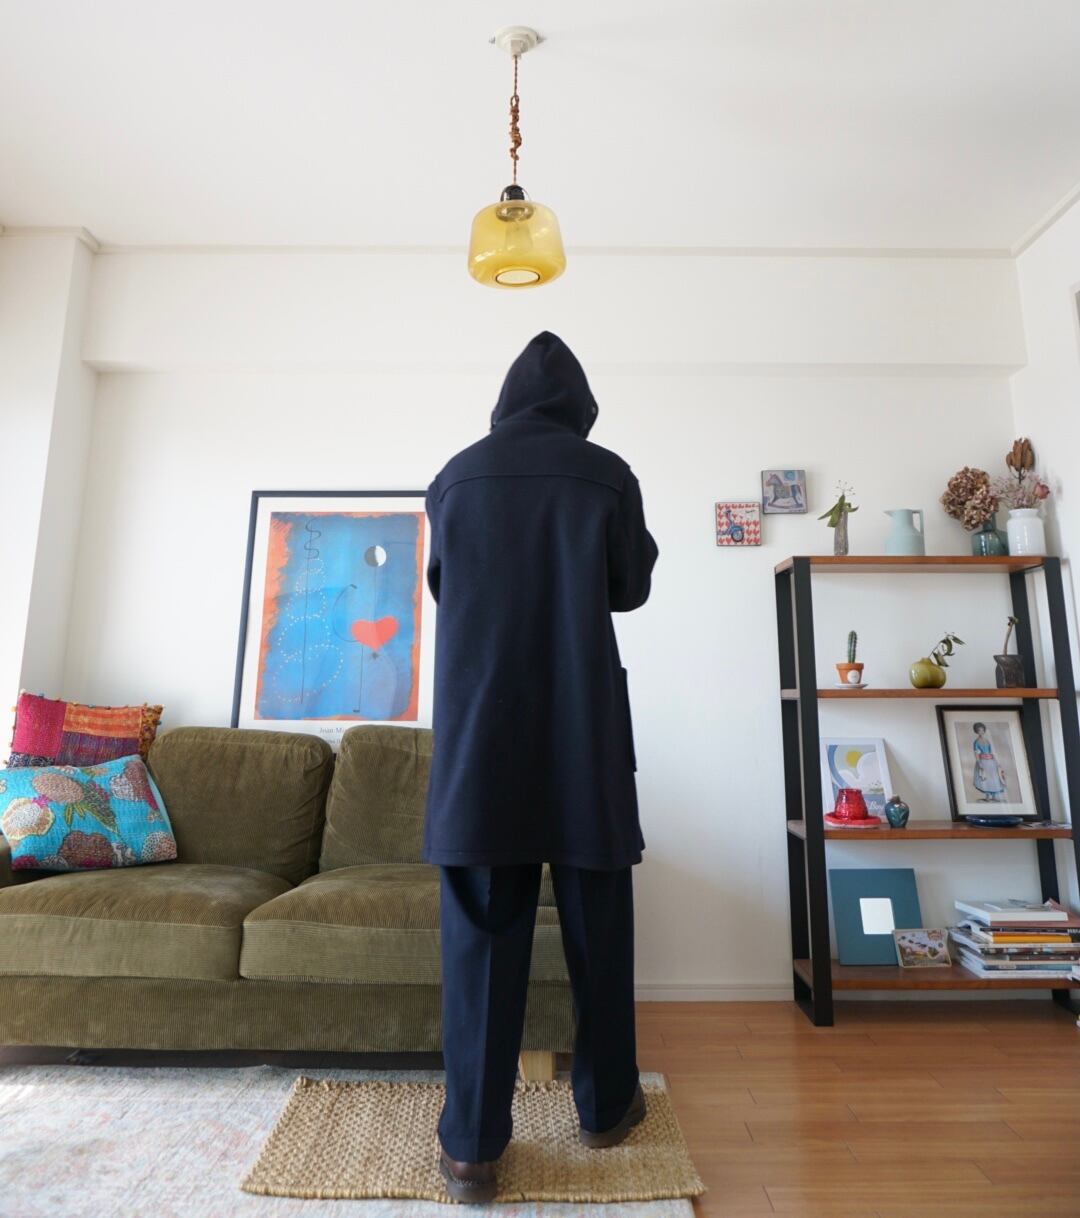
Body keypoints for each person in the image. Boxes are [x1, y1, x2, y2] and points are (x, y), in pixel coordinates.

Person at [422, 331, 658, 1202]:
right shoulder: (607, 475)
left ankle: (473, 1147)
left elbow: (446, 585)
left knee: (482, 940)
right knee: (600, 928)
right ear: (580, 407)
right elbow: (630, 587)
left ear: (504, 403)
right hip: (581, 734)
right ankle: (605, 1108)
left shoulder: (455, 479)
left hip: (483, 741)